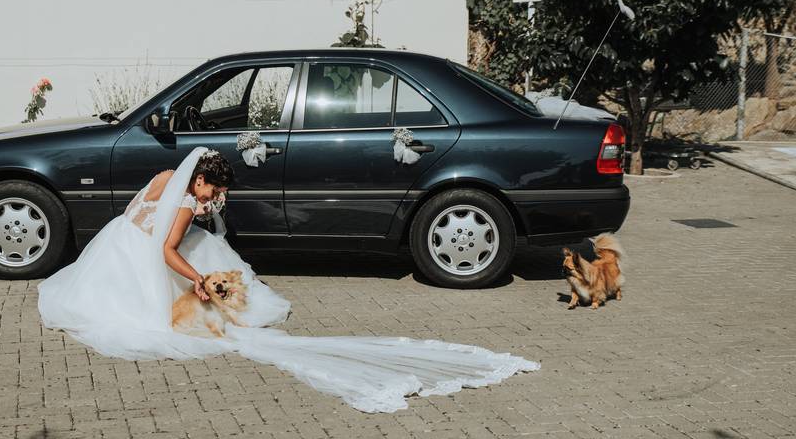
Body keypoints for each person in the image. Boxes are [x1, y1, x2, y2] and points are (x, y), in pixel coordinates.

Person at [38, 147, 537, 413]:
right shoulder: (189, 203)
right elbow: (168, 249)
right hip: (150, 251)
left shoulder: (168, 175)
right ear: (203, 181)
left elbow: (142, 214)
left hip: (118, 240)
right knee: (194, 265)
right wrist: (199, 280)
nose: (216, 196)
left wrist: (193, 218)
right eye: (216, 189)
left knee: (91, 295)